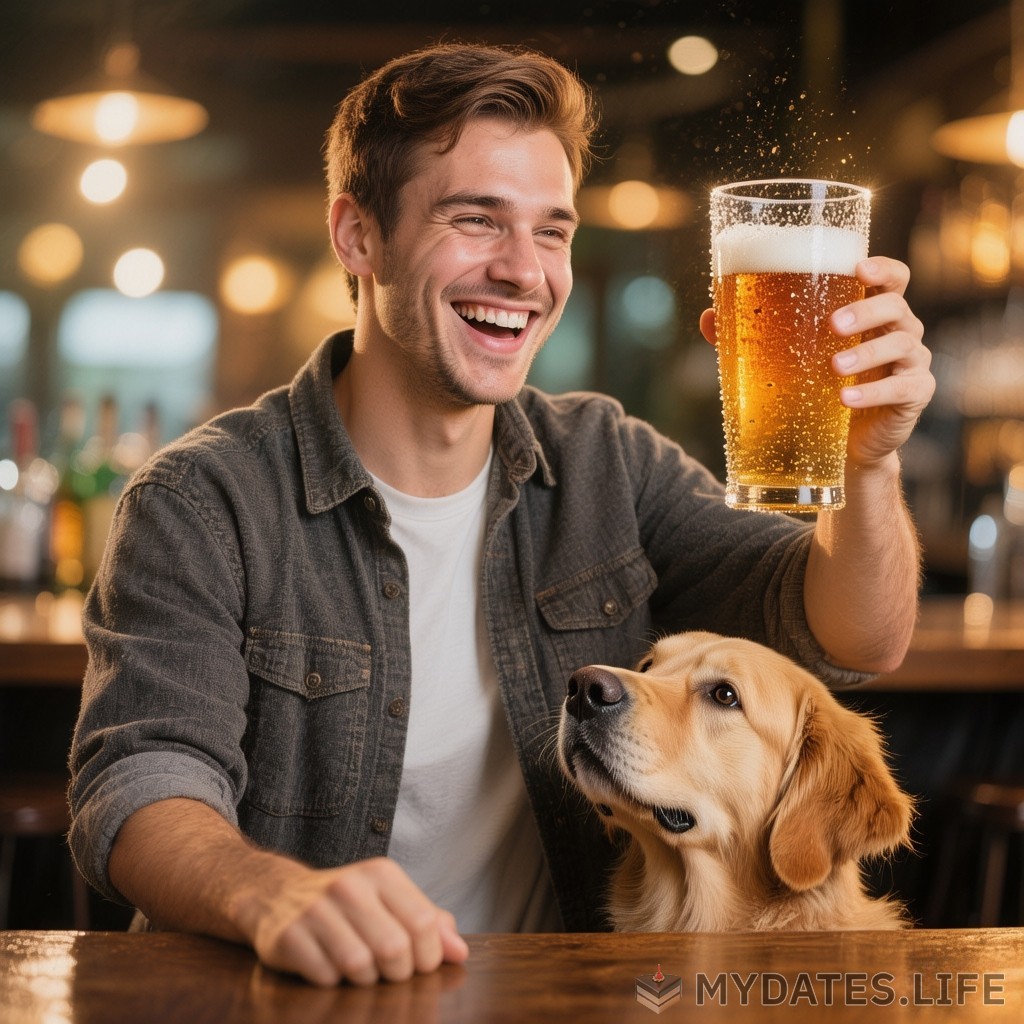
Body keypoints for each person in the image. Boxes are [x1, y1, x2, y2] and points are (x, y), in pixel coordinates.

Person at [69, 42, 934, 988]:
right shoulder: (203, 500)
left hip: (563, 1003)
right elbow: (140, 780)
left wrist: (870, 463)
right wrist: (268, 892)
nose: (525, 272)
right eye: (476, 221)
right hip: (300, 1007)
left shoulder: (610, 462)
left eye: (553, 232)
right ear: (358, 237)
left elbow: (856, 636)